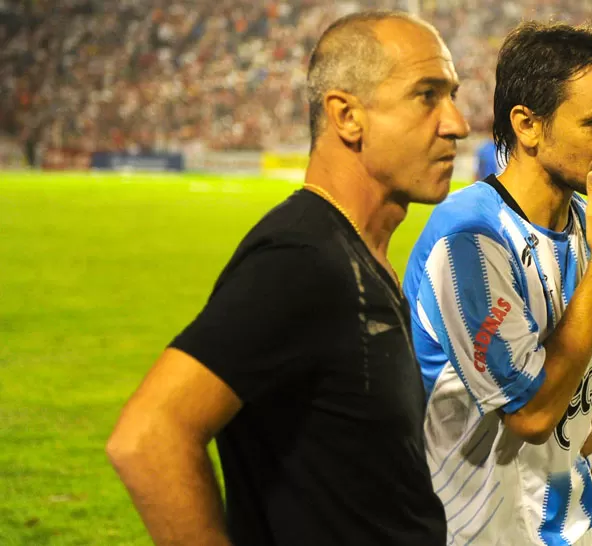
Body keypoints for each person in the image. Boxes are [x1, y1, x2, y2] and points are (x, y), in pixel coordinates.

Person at [106, 11, 469, 546]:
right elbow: (147, 436)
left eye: (452, 95)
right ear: (347, 116)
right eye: (427, 95)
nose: (456, 122)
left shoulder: (357, 253)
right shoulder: (302, 259)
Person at [402, 22, 592, 545]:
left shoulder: (579, 221)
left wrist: (590, 414)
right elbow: (529, 412)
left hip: (574, 520)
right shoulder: (470, 239)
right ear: (528, 125)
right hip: (484, 529)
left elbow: (559, 341)